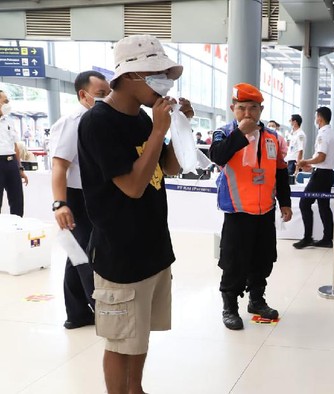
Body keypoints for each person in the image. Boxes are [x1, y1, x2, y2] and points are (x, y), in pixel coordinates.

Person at [77, 34, 193, 394]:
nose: (164, 83)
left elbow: (167, 168)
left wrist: (175, 129)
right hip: (120, 254)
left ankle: (135, 388)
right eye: (155, 74)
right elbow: (132, 186)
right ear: (129, 77)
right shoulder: (99, 123)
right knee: (119, 340)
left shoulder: (144, 118)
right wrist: (159, 130)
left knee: (138, 335)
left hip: (153, 247)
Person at [209, 83, 292, 330]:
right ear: (233, 108)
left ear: (261, 109)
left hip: (265, 211)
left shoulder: (274, 138)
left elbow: (280, 172)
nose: (248, 114)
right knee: (234, 261)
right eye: (242, 108)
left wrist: (285, 203)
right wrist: (240, 134)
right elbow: (217, 156)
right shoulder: (224, 133)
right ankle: (230, 307)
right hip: (237, 211)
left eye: (253, 108)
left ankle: (256, 300)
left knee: (263, 259)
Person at [50, 70, 110, 330]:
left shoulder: (101, 120)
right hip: (76, 197)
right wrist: (60, 204)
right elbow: (59, 167)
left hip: (95, 195)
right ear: (83, 95)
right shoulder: (72, 122)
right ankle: (100, 310)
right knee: (87, 255)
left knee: (77, 253)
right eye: (100, 94)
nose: (106, 98)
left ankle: (76, 313)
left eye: (108, 93)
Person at [294, 106, 334, 249]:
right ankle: (327, 238)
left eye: (316, 116)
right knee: (323, 206)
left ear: (320, 117)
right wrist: (311, 165)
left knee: (304, 203)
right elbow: (322, 159)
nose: (315, 119)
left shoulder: (323, 134)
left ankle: (307, 238)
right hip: (327, 174)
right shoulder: (330, 132)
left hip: (321, 175)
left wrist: (306, 161)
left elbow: (321, 156)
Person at [0, 90, 28, 216]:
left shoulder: (9, 121)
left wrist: (20, 168)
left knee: (17, 201)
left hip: (11, 164)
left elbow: (15, 145)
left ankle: (18, 229)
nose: (7, 103)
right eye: (5, 101)